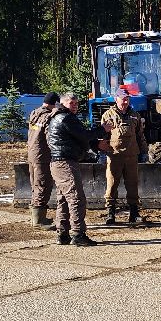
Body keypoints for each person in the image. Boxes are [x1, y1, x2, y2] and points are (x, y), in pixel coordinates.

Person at [46, 91, 107, 247]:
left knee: (64, 199)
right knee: (76, 198)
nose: (74, 106)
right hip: (65, 163)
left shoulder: (58, 117)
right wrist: (102, 129)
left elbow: (75, 138)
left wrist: (94, 145)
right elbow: (84, 136)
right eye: (71, 103)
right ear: (63, 103)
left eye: (76, 103)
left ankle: (62, 234)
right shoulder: (65, 118)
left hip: (59, 163)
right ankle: (78, 234)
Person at [100, 87, 148, 225]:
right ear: (116, 99)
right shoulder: (108, 115)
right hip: (114, 156)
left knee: (132, 185)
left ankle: (134, 214)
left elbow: (140, 135)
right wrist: (102, 153)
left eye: (127, 99)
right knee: (112, 185)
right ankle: (110, 214)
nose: (125, 102)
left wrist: (144, 152)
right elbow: (103, 137)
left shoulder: (135, 115)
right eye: (123, 99)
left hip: (132, 156)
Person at [24, 91, 61, 228]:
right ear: (55, 103)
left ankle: (35, 218)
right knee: (43, 186)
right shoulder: (48, 117)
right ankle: (39, 221)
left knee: (35, 185)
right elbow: (50, 138)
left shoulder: (35, 113)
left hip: (33, 154)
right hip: (43, 156)